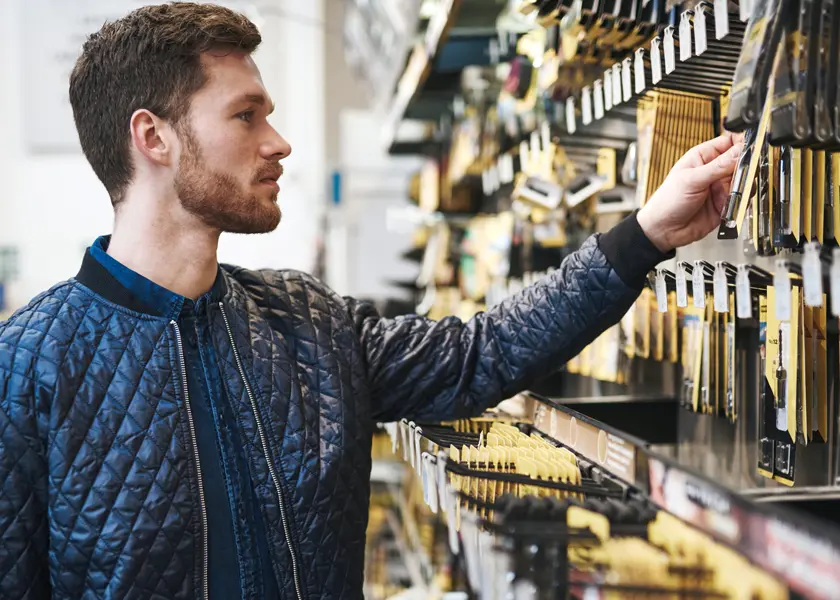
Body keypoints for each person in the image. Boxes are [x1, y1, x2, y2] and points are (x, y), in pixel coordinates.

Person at [0, 3, 742, 599]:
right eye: (246, 115)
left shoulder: (307, 323)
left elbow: (480, 353)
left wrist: (646, 234)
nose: (279, 141)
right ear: (153, 138)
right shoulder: (29, 367)